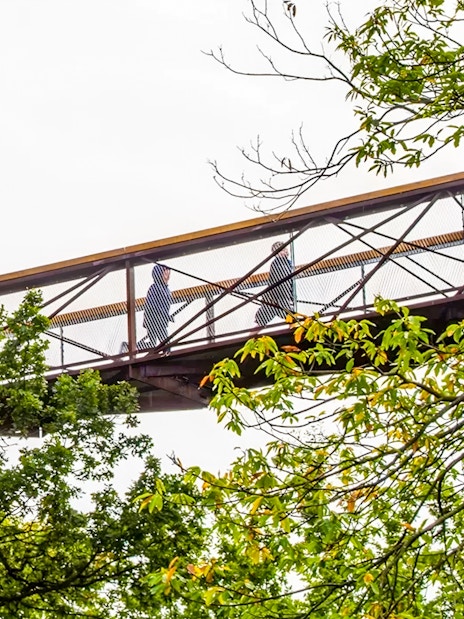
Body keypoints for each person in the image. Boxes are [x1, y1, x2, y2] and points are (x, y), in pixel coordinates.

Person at [255, 241, 294, 327]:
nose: (284, 252)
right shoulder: (277, 264)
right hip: (277, 297)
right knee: (289, 316)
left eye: (284, 249)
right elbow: (278, 281)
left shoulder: (287, 263)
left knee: (290, 317)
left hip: (281, 297)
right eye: (280, 251)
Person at [142, 263, 173, 350]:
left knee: (153, 344)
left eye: (168, 274)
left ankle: (134, 347)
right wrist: (166, 315)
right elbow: (152, 305)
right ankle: (166, 355)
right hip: (154, 320)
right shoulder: (155, 288)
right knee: (165, 343)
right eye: (165, 273)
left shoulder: (166, 290)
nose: (168, 276)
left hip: (160, 320)